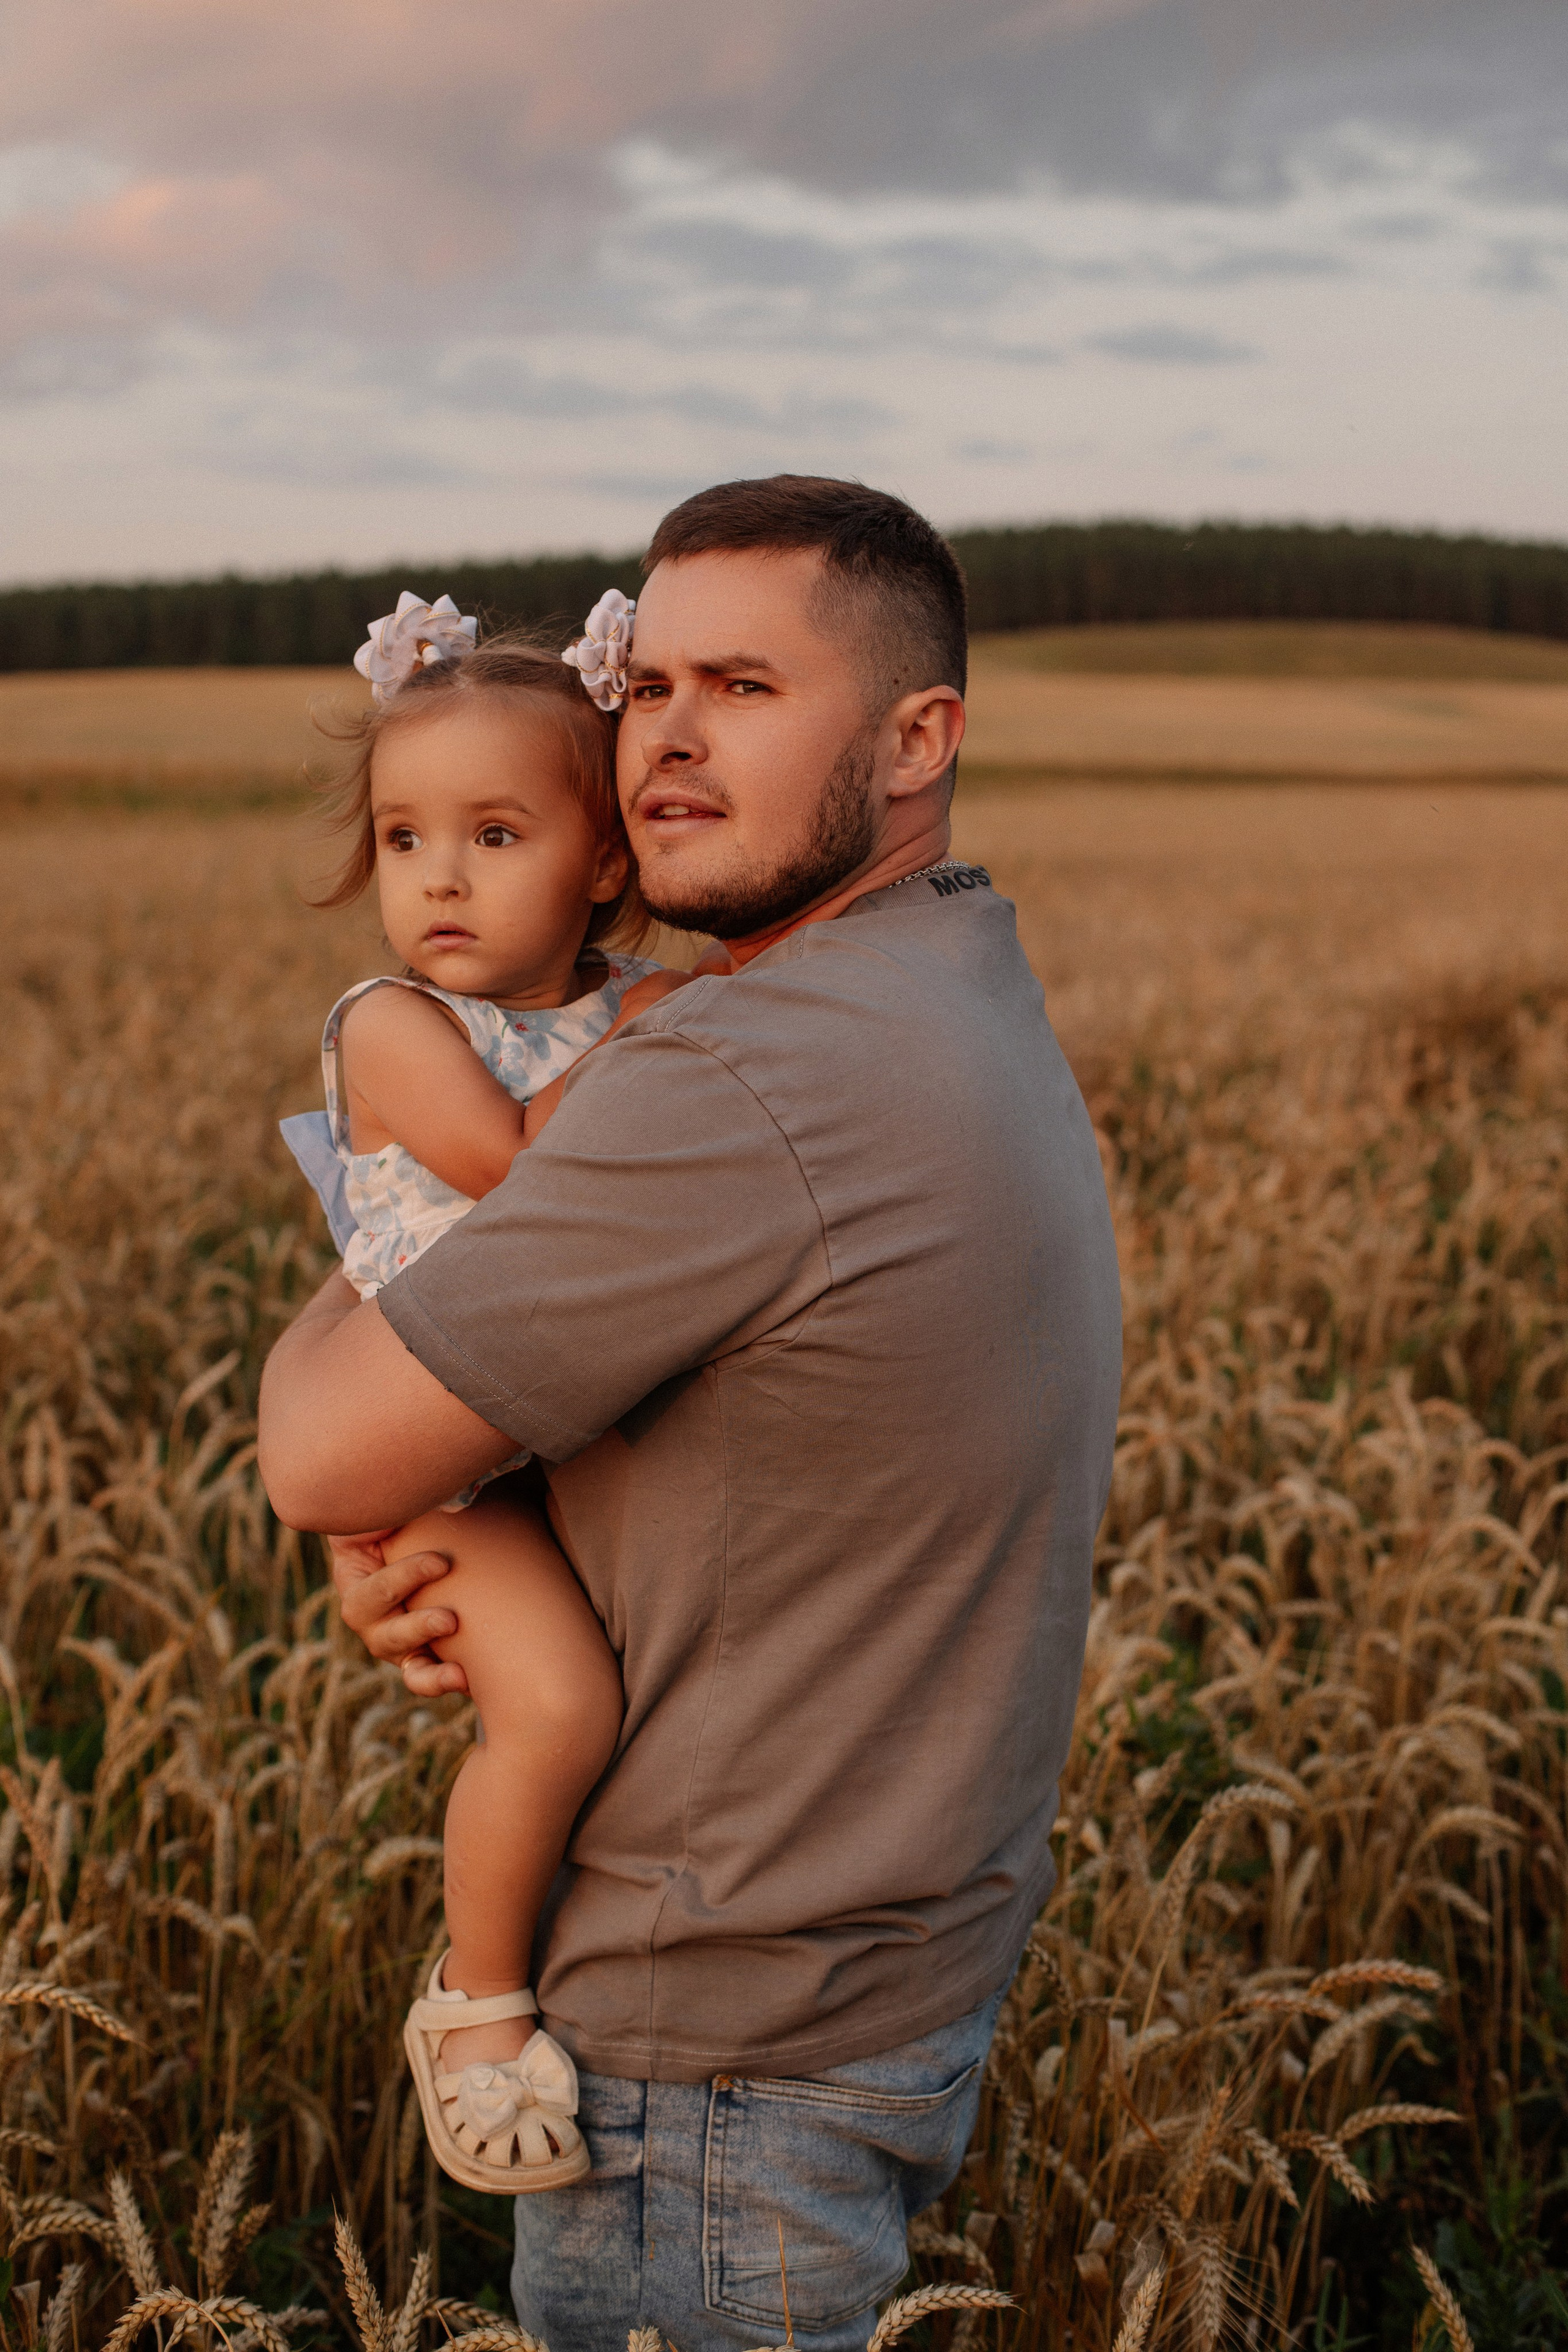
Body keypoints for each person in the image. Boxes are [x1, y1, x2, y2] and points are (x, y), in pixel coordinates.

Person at [258, 475, 1123, 2352]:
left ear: (919, 739)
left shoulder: (737, 1068)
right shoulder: (941, 977)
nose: (665, 741)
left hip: (716, 2057)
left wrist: (363, 1375)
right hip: (877, 1970)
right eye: (645, 687)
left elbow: (319, 1453)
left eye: (741, 687)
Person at [277, 606, 688, 2195]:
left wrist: (668, 1019)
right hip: (436, 1462)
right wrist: (665, 1036)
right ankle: (476, 2000)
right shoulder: (393, 1026)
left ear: (602, 859)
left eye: (496, 833)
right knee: (562, 1708)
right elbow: (521, 1177)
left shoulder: (642, 1009)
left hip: (531, 1442)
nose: (436, 879)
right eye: (403, 838)